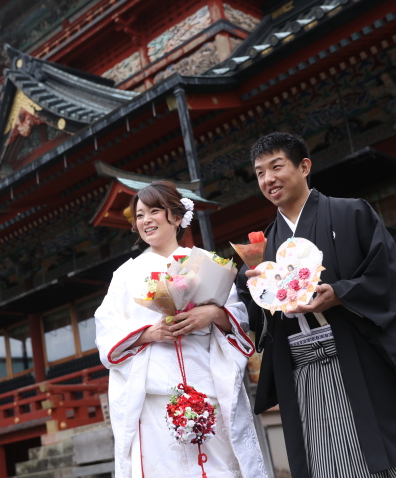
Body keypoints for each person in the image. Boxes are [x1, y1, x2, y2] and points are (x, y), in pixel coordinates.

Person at [236, 132, 396, 478]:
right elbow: (255, 314)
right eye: (259, 173)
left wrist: (342, 292)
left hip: (359, 355)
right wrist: (249, 286)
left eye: (276, 166)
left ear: (304, 166)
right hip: (302, 369)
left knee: (394, 453)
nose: (268, 179)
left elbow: (391, 277)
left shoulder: (351, 213)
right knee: (327, 459)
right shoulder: (263, 248)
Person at [95, 180, 267, 478]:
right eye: (139, 215)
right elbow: (107, 331)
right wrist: (150, 333)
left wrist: (213, 313)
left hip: (207, 390)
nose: (145, 220)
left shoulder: (207, 262)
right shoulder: (126, 275)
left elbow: (238, 318)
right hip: (155, 400)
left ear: (176, 216)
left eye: (153, 211)